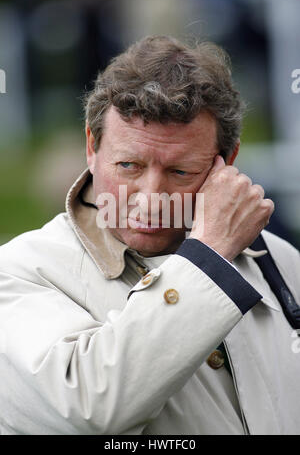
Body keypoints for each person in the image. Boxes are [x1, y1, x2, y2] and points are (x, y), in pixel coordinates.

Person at [0, 35, 299, 436]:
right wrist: (209, 257)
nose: (152, 199)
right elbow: (92, 408)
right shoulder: (20, 273)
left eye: (180, 172)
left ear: (227, 162)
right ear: (92, 146)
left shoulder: (282, 262)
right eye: (129, 165)